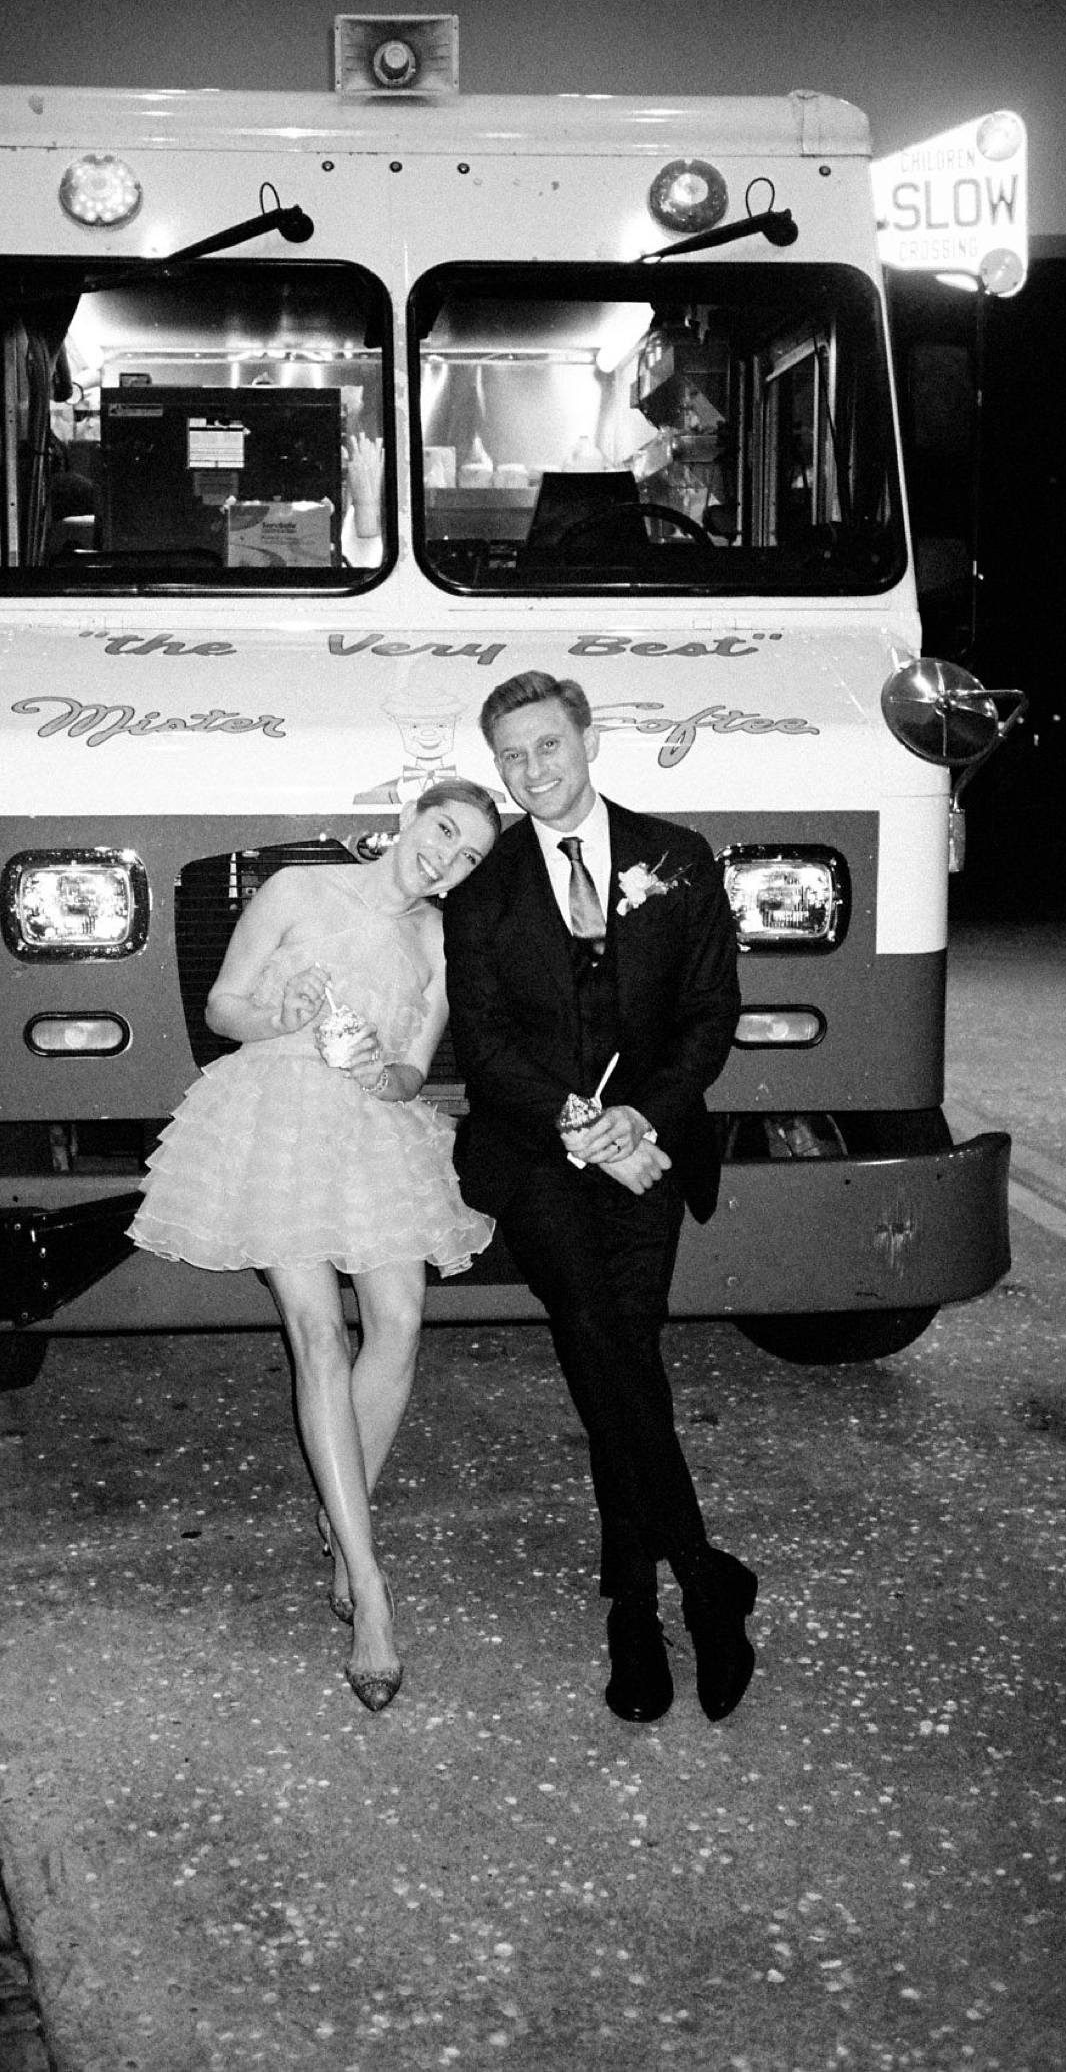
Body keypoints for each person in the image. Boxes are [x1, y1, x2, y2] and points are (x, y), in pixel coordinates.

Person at [129, 781, 501, 1711]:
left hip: (373, 1128)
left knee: (400, 1323)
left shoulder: (437, 938)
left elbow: (417, 1064)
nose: (446, 858)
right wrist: (283, 1012)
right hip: (275, 1112)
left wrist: (387, 1073)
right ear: (410, 818)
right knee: (319, 1335)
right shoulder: (297, 889)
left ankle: (344, 1523)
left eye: (468, 856)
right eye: (443, 830)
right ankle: (368, 1587)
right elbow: (222, 1008)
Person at [443, 671, 755, 1726]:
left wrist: (640, 1122)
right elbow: (485, 1048)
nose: (532, 769)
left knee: (620, 1347)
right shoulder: (482, 890)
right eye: (512, 755)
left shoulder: (678, 857)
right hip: (536, 1151)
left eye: (547, 745)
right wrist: (583, 1129)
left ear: (587, 740)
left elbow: (710, 1015)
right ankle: (698, 1577)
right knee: (593, 1323)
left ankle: (637, 1600)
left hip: (650, 1144)